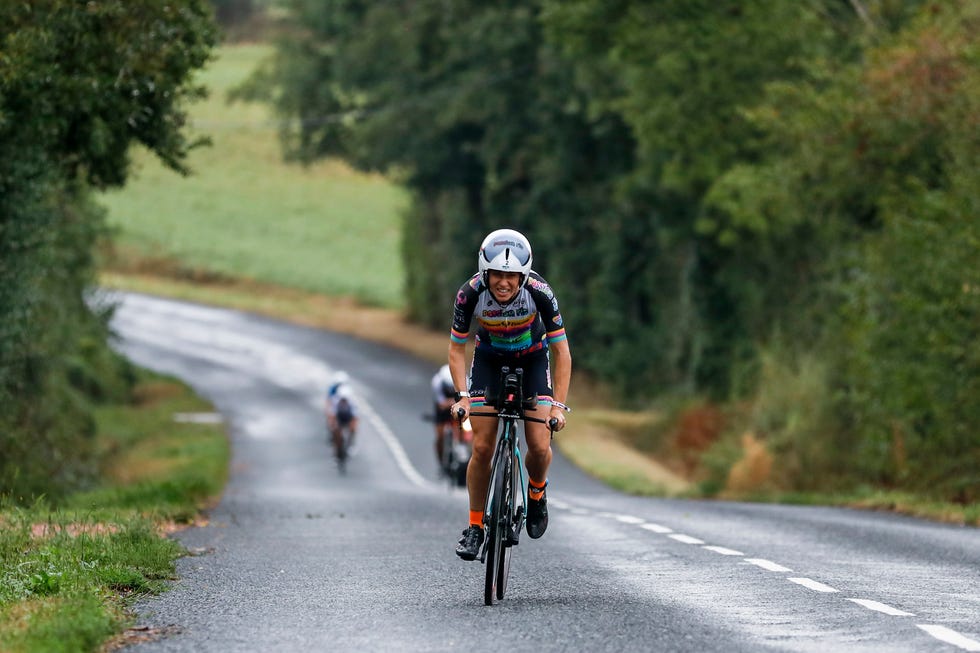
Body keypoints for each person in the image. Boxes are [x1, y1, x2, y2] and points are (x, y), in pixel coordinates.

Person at [447, 228, 571, 560]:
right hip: (488, 359)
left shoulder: (540, 292)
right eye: (497, 274)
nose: (504, 282)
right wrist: (462, 396)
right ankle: (475, 527)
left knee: (540, 444)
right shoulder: (469, 293)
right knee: (483, 446)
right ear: (485, 273)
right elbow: (457, 349)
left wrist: (558, 406)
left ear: (524, 276)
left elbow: (562, 353)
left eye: (512, 276)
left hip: (532, 359)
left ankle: (536, 492)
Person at [431, 364, 473, 474]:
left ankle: (465, 450)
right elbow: (441, 403)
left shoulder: (466, 381)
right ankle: (441, 462)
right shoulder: (437, 382)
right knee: (440, 436)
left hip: (460, 402)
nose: (450, 389)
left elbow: (469, 400)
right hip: (443, 409)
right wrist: (451, 403)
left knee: (466, 429)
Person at [326, 372, 358, 459]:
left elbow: (355, 417)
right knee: (335, 430)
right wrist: (333, 425)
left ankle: (351, 443)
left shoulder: (352, 402)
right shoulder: (335, 399)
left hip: (348, 416)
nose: (344, 401)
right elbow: (331, 414)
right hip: (339, 416)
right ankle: (335, 448)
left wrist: (352, 428)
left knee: (353, 428)